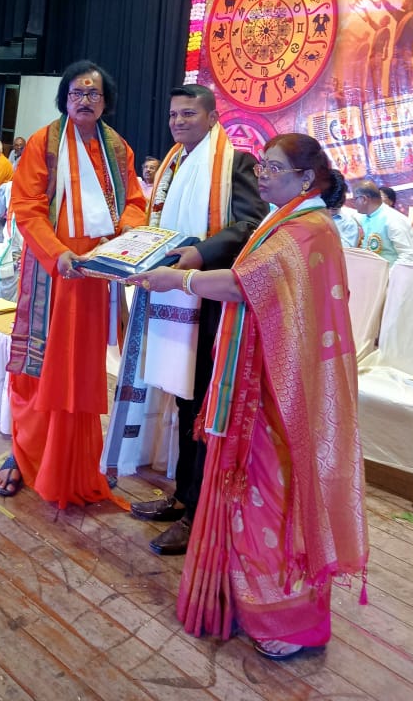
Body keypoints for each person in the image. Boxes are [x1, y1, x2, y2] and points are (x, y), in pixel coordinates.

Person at [130, 133, 368, 660]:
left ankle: (286, 621)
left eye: (274, 167)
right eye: (261, 165)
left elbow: (243, 285)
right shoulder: (287, 221)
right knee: (250, 499)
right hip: (263, 384)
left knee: (270, 502)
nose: (262, 174)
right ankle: (245, 600)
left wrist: (179, 280)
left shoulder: (306, 230)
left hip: (277, 394)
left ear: (305, 179)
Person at [107, 85, 267, 557]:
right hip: (173, 294)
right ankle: (183, 496)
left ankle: (199, 514)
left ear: (213, 118)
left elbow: (250, 224)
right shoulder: (173, 166)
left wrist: (200, 252)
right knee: (183, 400)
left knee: (203, 407)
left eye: (189, 114)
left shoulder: (234, 163)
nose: (178, 121)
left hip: (212, 299)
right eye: (173, 114)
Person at [0, 61, 146, 508]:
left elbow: (135, 203)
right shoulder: (44, 142)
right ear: (65, 99)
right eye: (77, 93)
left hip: (95, 277)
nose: (84, 100)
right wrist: (58, 254)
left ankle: (74, 459)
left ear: (105, 102)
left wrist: (123, 238)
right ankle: (24, 453)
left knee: (80, 368)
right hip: (53, 272)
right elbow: (27, 206)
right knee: (39, 368)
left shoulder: (118, 148)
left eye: (93, 93)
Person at [353, 180, 413, 265]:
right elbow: (349, 214)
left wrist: (390, 273)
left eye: (355, 199)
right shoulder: (366, 217)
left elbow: (408, 255)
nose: (353, 203)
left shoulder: (393, 219)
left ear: (364, 199)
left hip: (389, 272)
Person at [377, 0, 413, 98]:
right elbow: (390, 8)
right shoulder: (402, 16)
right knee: (394, 77)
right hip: (397, 53)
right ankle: (394, 98)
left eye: (405, 1)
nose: (402, 2)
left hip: (404, 52)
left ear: (410, 3)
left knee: (403, 77)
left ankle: (405, 98)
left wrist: (405, 49)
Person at [324, 170, 363, 247]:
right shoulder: (310, 215)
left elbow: (347, 250)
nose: (330, 212)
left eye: (334, 209)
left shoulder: (349, 223)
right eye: (327, 207)